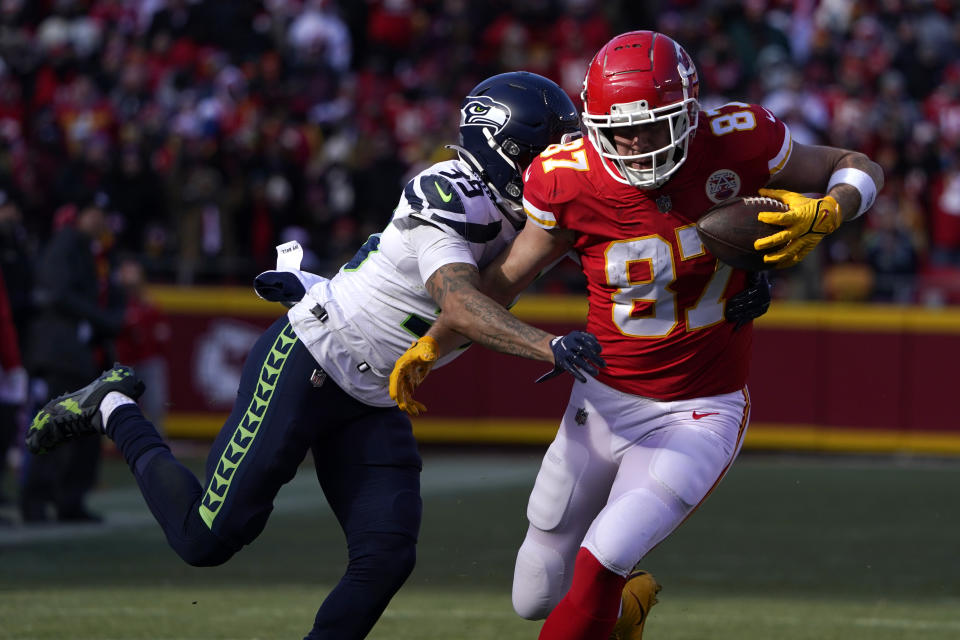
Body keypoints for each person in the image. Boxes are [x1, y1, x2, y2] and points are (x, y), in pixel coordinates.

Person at [25, 72, 597, 640]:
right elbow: (461, 304)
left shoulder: (528, 208)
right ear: (503, 145)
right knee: (204, 540)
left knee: (387, 556)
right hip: (315, 359)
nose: (560, 162)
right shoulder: (450, 190)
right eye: (550, 148)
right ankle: (114, 407)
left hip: (375, 394)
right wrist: (548, 345)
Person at [389, 31, 884, 640]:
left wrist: (833, 207)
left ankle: (610, 593)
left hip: (699, 409)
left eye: (653, 125)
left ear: (689, 110)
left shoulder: (738, 136)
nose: (635, 142)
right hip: (601, 400)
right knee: (535, 593)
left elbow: (856, 165)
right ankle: (628, 611)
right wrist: (435, 341)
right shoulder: (567, 178)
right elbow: (508, 277)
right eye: (619, 129)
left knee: (602, 561)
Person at [20, 191, 126, 523]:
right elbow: (58, 294)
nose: (98, 219)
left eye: (102, 214)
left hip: (79, 353)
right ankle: (37, 499)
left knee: (84, 430)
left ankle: (70, 500)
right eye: (92, 212)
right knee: (56, 425)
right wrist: (102, 318)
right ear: (78, 215)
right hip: (60, 351)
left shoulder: (95, 252)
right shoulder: (67, 244)